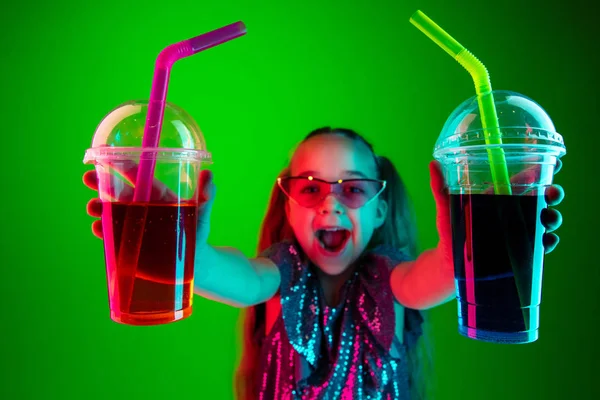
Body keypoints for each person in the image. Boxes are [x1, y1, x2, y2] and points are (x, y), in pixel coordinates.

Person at [83, 127, 564, 399]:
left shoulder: (389, 278)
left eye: (352, 189)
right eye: (311, 188)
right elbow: (229, 277)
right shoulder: (280, 272)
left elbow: (437, 277)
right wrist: (180, 247)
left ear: (379, 209)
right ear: (288, 205)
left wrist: (479, 242)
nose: (330, 206)